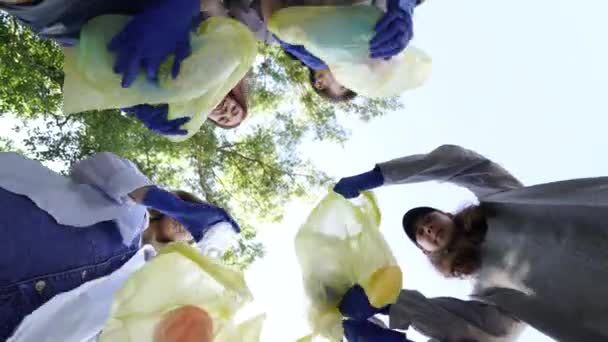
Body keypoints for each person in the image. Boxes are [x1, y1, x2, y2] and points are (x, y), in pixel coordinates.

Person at [333, 144, 608, 341]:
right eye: (420, 234)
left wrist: (381, 175)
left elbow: (462, 164)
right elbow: (485, 333)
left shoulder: (502, 201)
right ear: (428, 253)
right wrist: (389, 304)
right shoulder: (490, 293)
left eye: (428, 218)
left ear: (448, 214)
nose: (427, 228)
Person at [0, 151, 240, 340]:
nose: (186, 227)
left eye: (193, 234)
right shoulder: (132, 210)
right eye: (188, 214)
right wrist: (155, 197)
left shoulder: (138, 288)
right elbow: (99, 167)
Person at [252, 0, 426, 101]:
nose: (355, 75)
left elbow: (274, 16)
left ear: (320, 82)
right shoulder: (372, 22)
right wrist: (404, 6)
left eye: (344, 84)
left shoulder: (280, 37)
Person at [124, 77, 250, 136]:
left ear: (212, 119)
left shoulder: (178, 115)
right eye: (234, 110)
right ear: (235, 98)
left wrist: (138, 110)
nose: (225, 112)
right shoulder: (222, 69)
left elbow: (123, 99)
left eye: (223, 119)